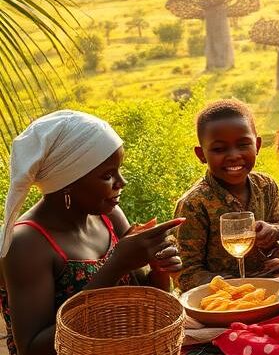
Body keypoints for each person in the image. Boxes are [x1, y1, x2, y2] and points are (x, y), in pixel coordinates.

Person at [0, 111, 184, 355]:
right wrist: (116, 266)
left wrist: (159, 270)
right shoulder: (27, 244)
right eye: (107, 175)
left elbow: (143, 299)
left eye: (119, 170)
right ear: (67, 182)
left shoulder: (107, 215)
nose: (122, 182)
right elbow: (33, 348)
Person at [174, 99, 279, 291]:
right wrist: (230, 285)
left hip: (269, 283)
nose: (234, 155)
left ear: (257, 145)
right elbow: (185, 273)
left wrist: (275, 231)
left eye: (243, 145)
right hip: (221, 297)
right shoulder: (194, 204)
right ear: (201, 154)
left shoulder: (266, 186)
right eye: (219, 149)